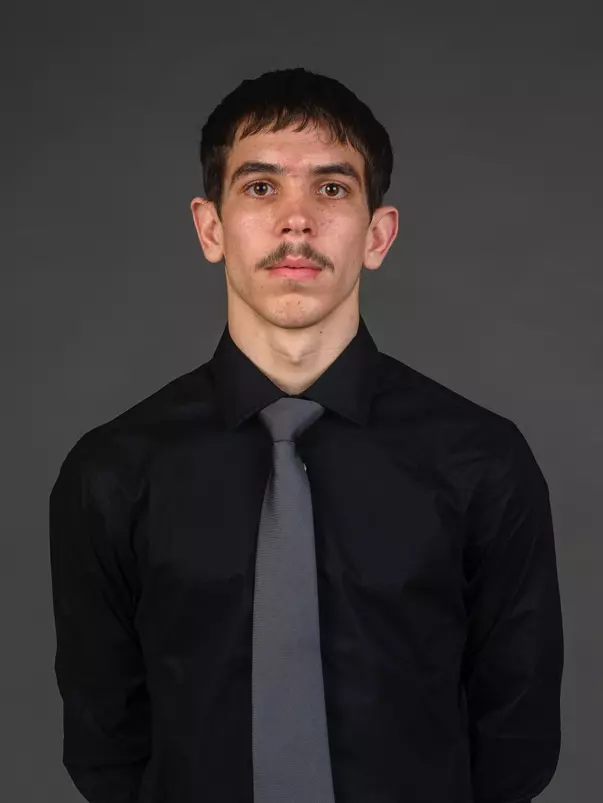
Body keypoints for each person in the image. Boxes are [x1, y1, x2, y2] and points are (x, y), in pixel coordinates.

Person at [49, 67, 564, 803]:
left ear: (377, 234)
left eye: (331, 188)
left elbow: (515, 736)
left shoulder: (481, 460)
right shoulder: (112, 471)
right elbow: (105, 737)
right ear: (210, 227)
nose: (296, 220)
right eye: (260, 187)